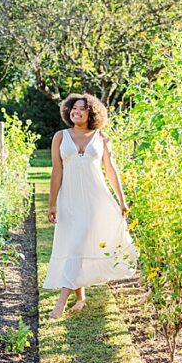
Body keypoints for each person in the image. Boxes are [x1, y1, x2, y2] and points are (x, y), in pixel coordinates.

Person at [44, 93, 138, 319]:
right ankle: (80, 298)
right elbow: (57, 171)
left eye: (82, 109)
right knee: (73, 245)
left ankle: (60, 304)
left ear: (91, 113)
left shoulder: (101, 138)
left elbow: (110, 170)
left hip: (95, 200)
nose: (76, 112)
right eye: (73, 108)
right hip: (69, 199)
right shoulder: (60, 137)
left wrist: (122, 200)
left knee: (77, 244)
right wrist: (52, 204)